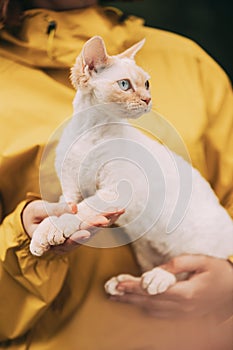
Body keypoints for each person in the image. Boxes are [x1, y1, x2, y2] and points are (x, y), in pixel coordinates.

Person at [0, 0, 232, 349]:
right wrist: (23, 240)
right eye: (129, 87)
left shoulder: (191, 63)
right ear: (89, 70)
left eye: (147, 86)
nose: (147, 99)